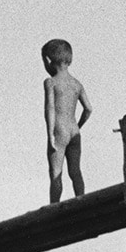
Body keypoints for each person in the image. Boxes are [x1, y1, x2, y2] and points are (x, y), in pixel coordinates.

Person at [41, 38, 92, 202]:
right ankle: (82, 202)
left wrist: (50, 135)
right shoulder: (76, 84)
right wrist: (79, 125)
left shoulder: (51, 82)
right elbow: (88, 109)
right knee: (75, 171)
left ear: (48, 60)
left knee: (56, 173)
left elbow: (50, 109)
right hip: (74, 130)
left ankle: (54, 207)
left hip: (59, 130)